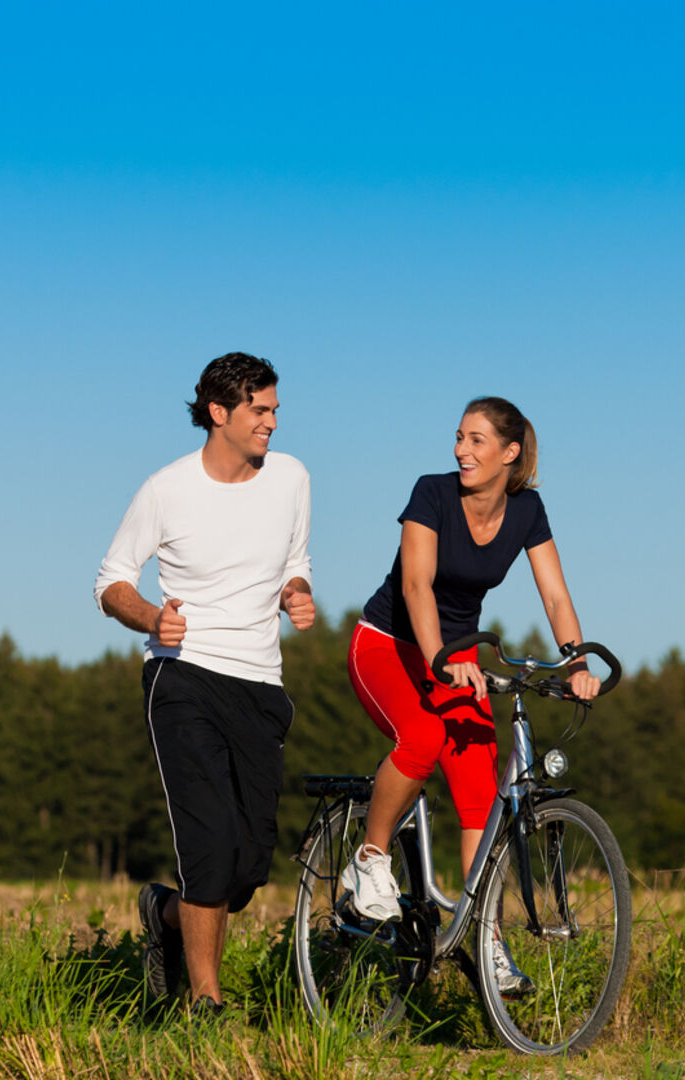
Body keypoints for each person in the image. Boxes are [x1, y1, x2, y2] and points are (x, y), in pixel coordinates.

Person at [340, 396, 600, 996]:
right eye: (460, 437)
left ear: (510, 454)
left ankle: (485, 941)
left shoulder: (527, 511)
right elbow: (416, 584)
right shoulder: (431, 494)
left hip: (454, 660)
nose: (462, 449)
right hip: (389, 644)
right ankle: (369, 860)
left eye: (477, 440)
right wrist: (438, 659)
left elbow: (555, 597)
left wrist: (577, 662)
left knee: (483, 796)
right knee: (424, 737)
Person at [94, 352, 314, 1017]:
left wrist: (297, 595)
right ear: (219, 412)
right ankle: (205, 1004)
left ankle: (162, 914)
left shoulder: (292, 479)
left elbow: (294, 565)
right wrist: (150, 616)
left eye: (275, 409)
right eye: (261, 410)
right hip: (182, 677)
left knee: (244, 871)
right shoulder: (166, 489)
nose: (273, 422)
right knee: (209, 850)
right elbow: (110, 582)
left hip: (259, 686)